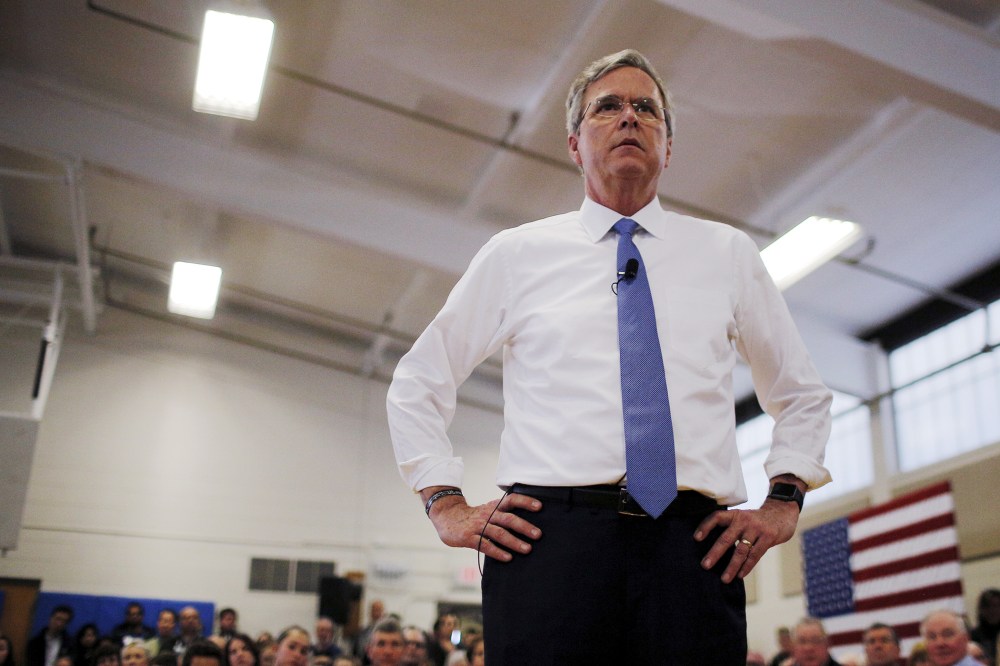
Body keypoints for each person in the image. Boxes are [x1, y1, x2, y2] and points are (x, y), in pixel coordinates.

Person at [386, 48, 832, 665]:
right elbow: (418, 380)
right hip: (547, 543)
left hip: (693, 545)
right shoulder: (516, 255)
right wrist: (444, 502)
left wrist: (784, 501)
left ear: (668, 147)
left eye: (646, 108)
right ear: (574, 144)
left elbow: (801, 393)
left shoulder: (726, 253)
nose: (629, 117)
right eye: (608, 108)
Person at [970, 589, 1000, 666]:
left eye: (996, 606)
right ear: (982, 609)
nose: (992, 610)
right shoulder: (973, 636)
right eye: (988, 607)